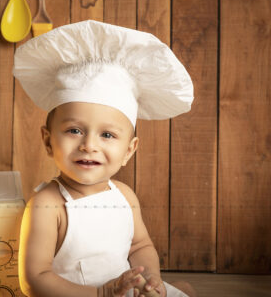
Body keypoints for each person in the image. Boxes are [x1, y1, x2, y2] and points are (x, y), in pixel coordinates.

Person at [14, 20, 196, 297]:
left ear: (129, 151)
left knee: (178, 292)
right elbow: (35, 279)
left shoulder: (124, 196)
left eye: (107, 135)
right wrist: (101, 294)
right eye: (74, 131)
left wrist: (151, 280)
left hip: (125, 293)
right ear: (48, 141)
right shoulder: (47, 205)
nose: (89, 145)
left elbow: (139, 247)